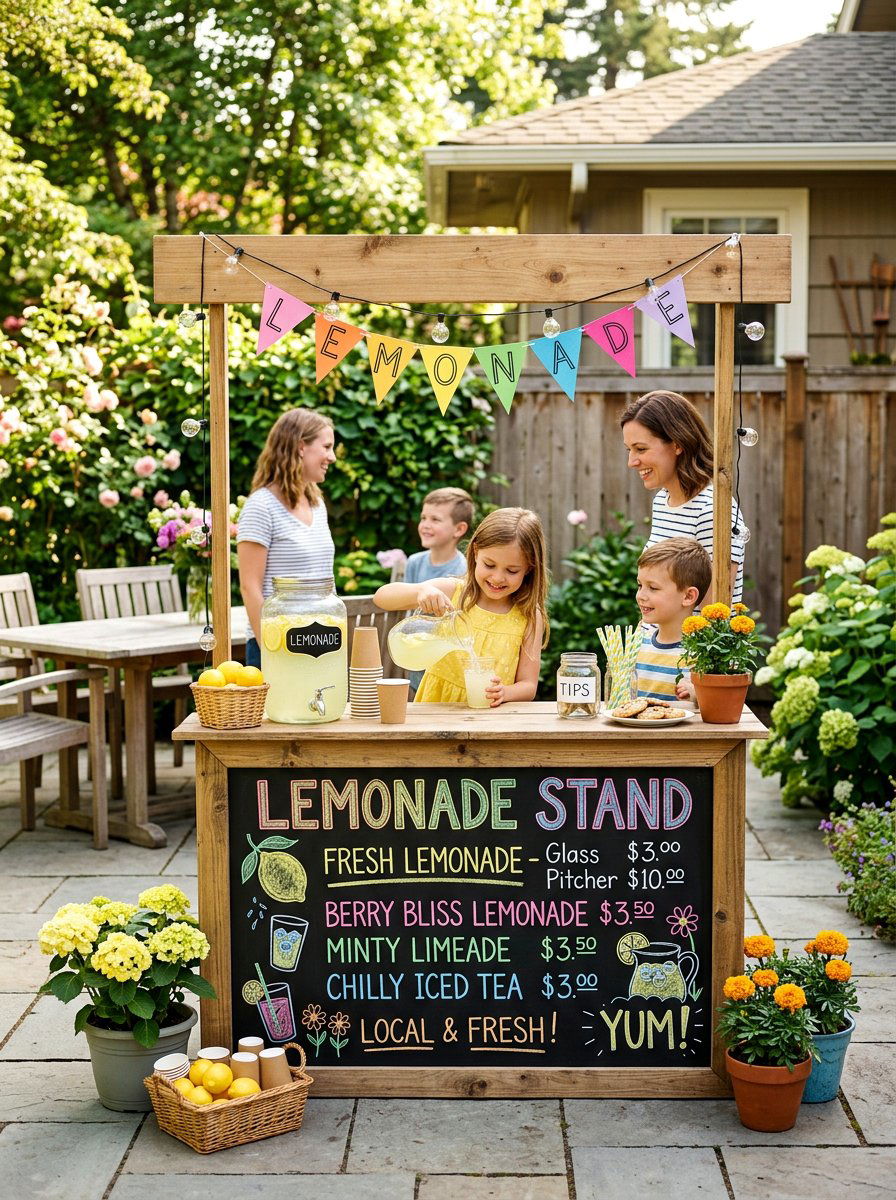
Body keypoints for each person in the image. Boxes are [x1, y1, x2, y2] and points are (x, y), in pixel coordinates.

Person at [374, 507, 548, 707]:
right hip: (437, 709)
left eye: (512, 570)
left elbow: (528, 685)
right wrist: (421, 590)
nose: (498, 578)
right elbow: (382, 597)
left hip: (489, 717)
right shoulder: (454, 592)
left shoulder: (528, 616)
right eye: (489, 565)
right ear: (475, 552)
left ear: (529, 567)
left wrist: (505, 692)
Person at [621, 390, 746, 602]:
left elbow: (714, 613)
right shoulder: (663, 501)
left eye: (641, 449)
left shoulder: (712, 509)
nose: (632, 462)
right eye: (629, 450)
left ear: (678, 444)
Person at [237, 408, 336, 668]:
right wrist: (271, 647)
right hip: (278, 645)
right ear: (301, 446)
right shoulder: (261, 507)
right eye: (326, 447)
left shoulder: (317, 504)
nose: (332, 457)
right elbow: (250, 587)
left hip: (322, 641)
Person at [404, 487, 474, 696]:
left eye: (435, 519)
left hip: (446, 664)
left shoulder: (463, 571)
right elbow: (408, 612)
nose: (425, 525)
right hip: (416, 661)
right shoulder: (414, 562)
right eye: (423, 517)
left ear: (459, 529)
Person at [633, 537, 712, 703]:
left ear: (688, 596)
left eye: (653, 588)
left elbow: (716, 701)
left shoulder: (702, 653)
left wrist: (698, 694)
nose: (641, 595)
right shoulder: (639, 643)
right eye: (640, 585)